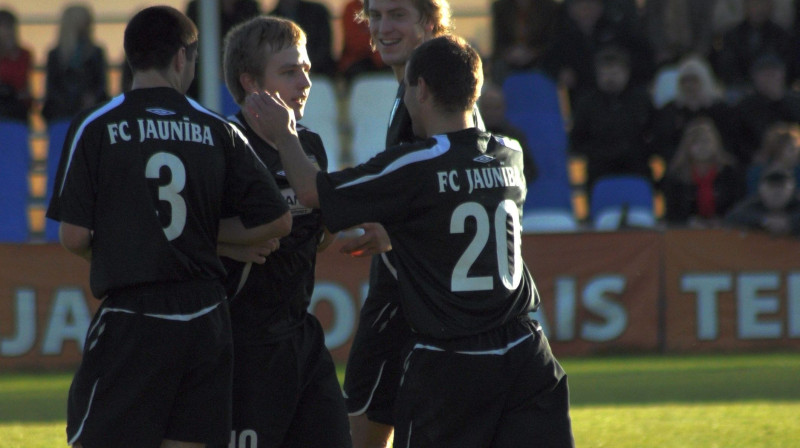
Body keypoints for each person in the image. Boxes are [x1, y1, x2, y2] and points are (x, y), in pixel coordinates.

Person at [246, 33, 574, 448]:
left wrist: (284, 135)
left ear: (419, 90)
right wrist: (400, 232)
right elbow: (458, 213)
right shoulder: (509, 154)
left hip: (451, 362)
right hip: (527, 353)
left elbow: (312, 192)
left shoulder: (414, 164)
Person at [45, 6, 292, 448]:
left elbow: (74, 236)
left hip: (133, 317)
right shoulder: (217, 129)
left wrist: (138, 239)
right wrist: (210, 238)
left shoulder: (97, 125)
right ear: (182, 58)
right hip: (206, 318)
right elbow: (276, 219)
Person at [215, 15, 351, 448]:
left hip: (299, 334)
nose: (305, 82)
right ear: (251, 83)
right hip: (242, 342)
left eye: (307, 69)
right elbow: (178, 232)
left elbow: (319, 234)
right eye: (290, 72)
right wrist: (229, 239)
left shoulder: (307, 145)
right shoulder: (222, 144)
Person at [342, 1, 457, 446]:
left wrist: (393, 234)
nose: (382, 28)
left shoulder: (437, 94)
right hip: (402, 293)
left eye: (397, 15)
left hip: (415, 301)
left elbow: (459, 189)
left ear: (429, 22)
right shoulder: (408, 89)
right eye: (375, 16)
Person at [569, 44, 656, 191]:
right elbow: (577, 140)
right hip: (599, 169)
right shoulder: (587, 103)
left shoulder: (641, 101)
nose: (610, 79)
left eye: (615, 73)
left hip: (635, 167)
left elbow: (653, 133)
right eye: (605, 74)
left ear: (626, 73)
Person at [662, 117, 746, 227]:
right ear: (687, 147)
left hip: (726, 231)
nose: (702, 147)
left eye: (706, 142)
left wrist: (723, 220)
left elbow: (739, 204)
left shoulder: (730, 172)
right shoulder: (676, 175)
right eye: (696, 143)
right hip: (687, 233)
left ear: (716, 144)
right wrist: (689, 222)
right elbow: (672, 213)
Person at [41, 4, 108, 123]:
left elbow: (101, 84)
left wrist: (92, 98)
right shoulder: (55, 55)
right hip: (61, 113)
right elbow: (51, 87)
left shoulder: (96, 53)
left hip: (90, 112)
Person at [733, 53, 800, 165]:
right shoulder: (744, 107)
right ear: (755, 77)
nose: (769, 77)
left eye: (773, 73)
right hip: (758, 164)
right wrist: (752, 156)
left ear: (782, 74)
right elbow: (738, 140)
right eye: (764, 74)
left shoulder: (795, 102)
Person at [185, 0, 261, 99]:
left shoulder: (250, 7)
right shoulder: (198, 8)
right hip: (203, 79)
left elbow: (255, 45)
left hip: (241, 76)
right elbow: (191, 46)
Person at [489, 0, 562, 84]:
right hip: (510, 58)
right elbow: (499, 42)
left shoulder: (550, 7)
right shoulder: (501, 7)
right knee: (499, 68)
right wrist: (510, 53)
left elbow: (552, 42)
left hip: (540, 58)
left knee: (549, 69)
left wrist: (532, 53)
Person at [725, 166, 800, 235]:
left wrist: (789, 222)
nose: (776, 191)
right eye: (771, 186)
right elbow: (732, 217)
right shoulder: (753, 204)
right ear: (761, 190)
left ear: (792, 189)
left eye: (781, 186)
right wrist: (764, 221)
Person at [270, 0, 337, 78]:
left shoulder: (318, 12)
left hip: (318, 73)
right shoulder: (270, 20)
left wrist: (305, 67)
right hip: (284, 76)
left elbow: (324, 48)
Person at [337, 0, 388, 85]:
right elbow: (354, 42)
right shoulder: (352, 8)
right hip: (360, 62)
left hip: (383, 59)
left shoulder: (390, 7)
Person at [746, 121, 800, 193]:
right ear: (778, 149)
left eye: (798, 149)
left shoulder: (798, 171)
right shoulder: (757, 173)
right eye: (792, 149)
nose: (797, 153)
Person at [0, 8, 31, 122]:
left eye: (9, 27)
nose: (6, 31)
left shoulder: (23, 54)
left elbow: (19, 80)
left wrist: (12, 55)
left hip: (16, 107)